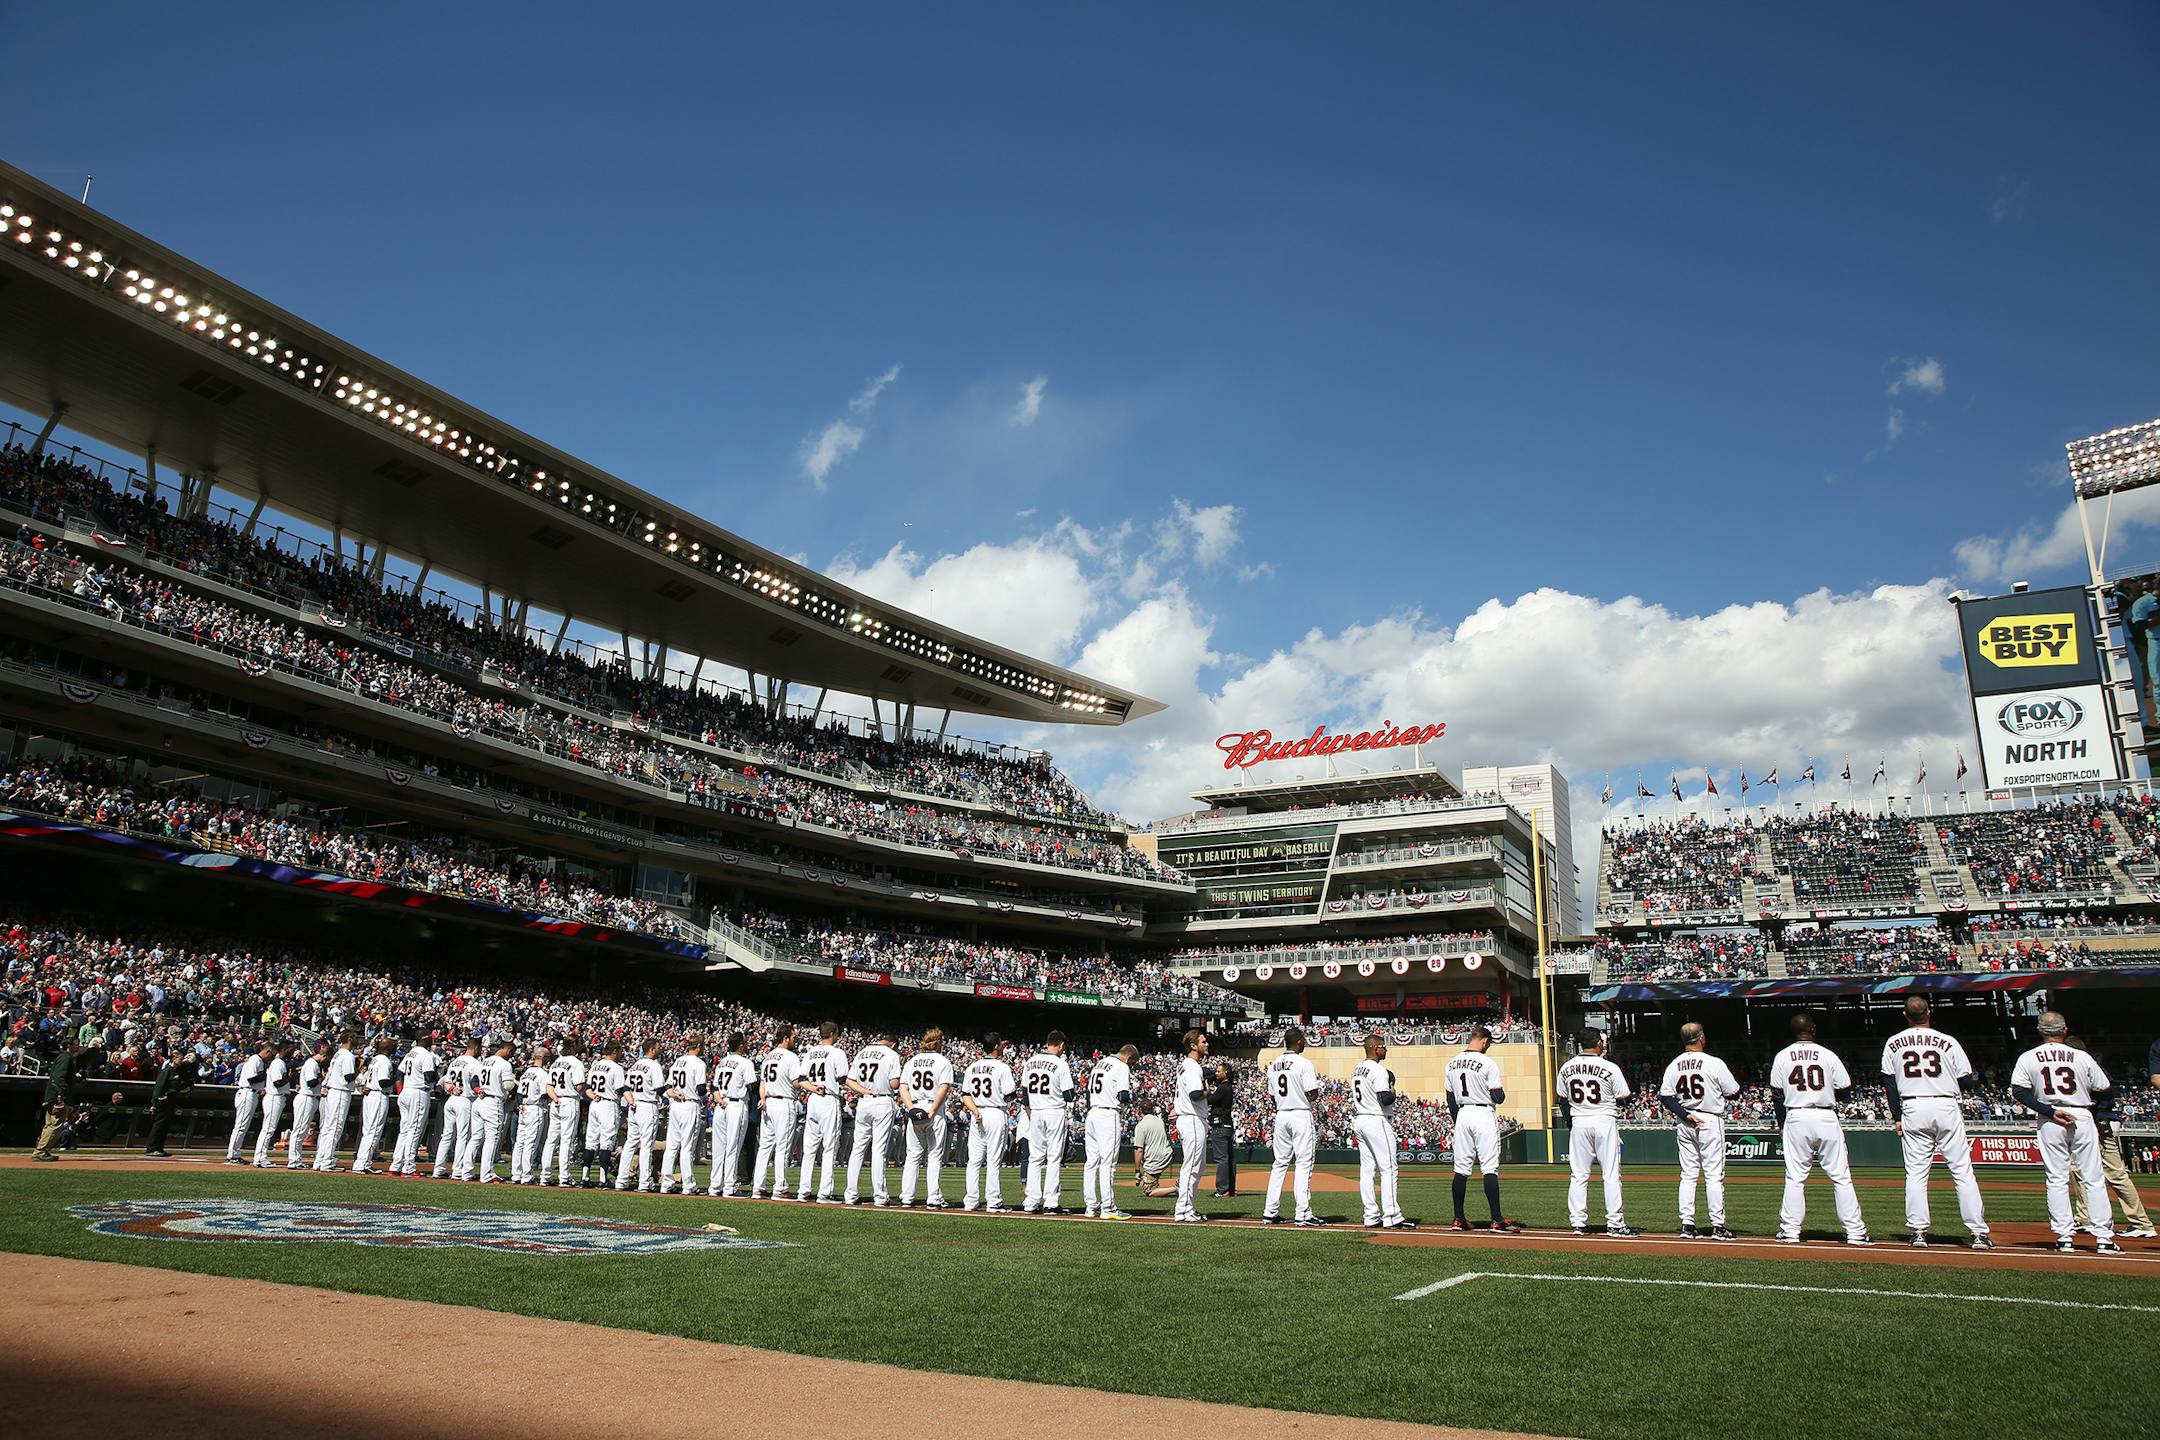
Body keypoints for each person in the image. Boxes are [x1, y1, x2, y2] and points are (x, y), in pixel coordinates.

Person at [1881, 996, 1991, 1249]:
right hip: (1945, 1103)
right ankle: (1978, 1233)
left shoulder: (1893, 1042)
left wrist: (1897, 1116)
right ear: (1929, 1013)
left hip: (1912, 1105)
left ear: (1905, 1015)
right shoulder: (1948, 1041)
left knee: (1917, 1173)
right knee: (1962, 1171)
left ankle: (1919, 1231)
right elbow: (1967, 1080)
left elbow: (1889, 1083)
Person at [2010, 1012, 2120, 1255]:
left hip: (2050, 1118)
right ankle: (2103, 1238)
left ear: (2040, 1031)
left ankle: (2064, 1237)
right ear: (2065, 1030)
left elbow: (2019, 1092)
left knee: (2056, 1178)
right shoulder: (2082, 1057)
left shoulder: (2028, 1057)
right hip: (2080, 1113)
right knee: (2093, 1178)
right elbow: (2105, 1089)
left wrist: (2049, 1111)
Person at [1767, 1014, 1869, 1245]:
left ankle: (1791, 1231)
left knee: (1795, 1177)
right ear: (1812, 1029)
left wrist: (1782, 1124)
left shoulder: (1782, 1056)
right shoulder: (1828, 1054)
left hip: (1796, 1115)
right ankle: (1855, 1232)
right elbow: (1845, 1089)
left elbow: (1777, 1094)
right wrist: (1828, 1095)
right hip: (1825, 1114)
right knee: (1841, 1177)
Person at [2064, 1037, 2155, 1237]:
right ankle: (2085, 1218)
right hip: (2097, 1125)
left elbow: (2102, 1098)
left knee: (2115, 1175)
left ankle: (2141, 1223)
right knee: (2079, 1170)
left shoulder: (2088, 1068)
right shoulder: (2090, 1067)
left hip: (2099, 1126)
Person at [1658, 1023, 1739, 1240]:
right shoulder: (1714, 1063)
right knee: (1713, 1175)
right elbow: (1734, 1091)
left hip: (1685, 1120)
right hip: (1709, 1119)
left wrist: (1685, 1115)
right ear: (1701, 1037)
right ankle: (1718, 1226)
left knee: (1688, 1175)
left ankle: (1687, 1224)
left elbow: (1665, 1096)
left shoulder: (1674, 1064)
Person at [1556, 1031, 1631, 1236]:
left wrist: (1572, 1123)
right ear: (1598, 1043)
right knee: (1611, 1174)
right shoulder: (1609, 1066)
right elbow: (1625, 1097)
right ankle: (1615, 1223)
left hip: (1579, 1121)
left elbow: (1562, 1099)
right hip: (1603, 1119)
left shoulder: (1566, 1068)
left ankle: (1578, 1223)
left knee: (1578, 1175)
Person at [1446, 1025, 1520, 1233]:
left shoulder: (1452, 1063)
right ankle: (1496, 1220)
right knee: (1489, 1168)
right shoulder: (1487, 1063)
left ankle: (1458, 1219)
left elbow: (1450, 1098)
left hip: (1462, 1114)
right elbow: (1498, 1097)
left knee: (1461, 1169)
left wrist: (1457, 1120)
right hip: (1482, 1114)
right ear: (1485, 1041)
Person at [1262, 1027, 1325, 1227]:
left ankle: (1270, 1212)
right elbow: (1312, 1093)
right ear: (1298, 1041)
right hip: (1299, 1113)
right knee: (1304, 1163)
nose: (1305, 1042)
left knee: (1279, 1164)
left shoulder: (1274, 1065)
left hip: (1281, 1115)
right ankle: (1303, 1213)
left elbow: (1272, 1096)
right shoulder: (1304, 1063)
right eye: (1303, 1040)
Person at [1351, 1034, 1414, 1231]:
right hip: (1376, 1119)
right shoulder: (1379, 1070)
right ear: (1376, 1048)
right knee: (1389, 1169)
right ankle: (1392, 1215)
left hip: (1360, 1118)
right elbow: (1385, 1099)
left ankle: (1370, 1215)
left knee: (1367, 1170)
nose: (1386, 1049)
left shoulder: (1357, 1068)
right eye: (1384, 1046)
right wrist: (1393, 1091)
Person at [842, 1030, 903, 1206]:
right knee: (878, 1150)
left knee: (858, 1149)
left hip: (864, 1102)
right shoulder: (891, 1054)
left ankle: (851, 1194)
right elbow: (894, 1083)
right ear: (893, 1044)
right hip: (882, 1100)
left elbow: (850, 1080)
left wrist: (864, 1090)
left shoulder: (862, 1051)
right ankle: (880, 1196)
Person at [897, 1028, 956, 1208]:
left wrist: (911, 1109)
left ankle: (907, 1197)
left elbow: (903, 1088)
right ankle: (933, 1198)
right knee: (934, 1155)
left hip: (915, 1106)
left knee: (912, 1156)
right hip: (933, 1108)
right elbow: (943, 1088)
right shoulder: (943, 1061)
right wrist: (932, 1111)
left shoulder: (912, 1061)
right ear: (939, 1042)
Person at [960, 1033, 1017, 1212]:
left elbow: (965, 1095)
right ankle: (993, 1201)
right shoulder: (1001, 1067)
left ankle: (971, 1201)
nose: (1003, 1046)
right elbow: (1010, 1094)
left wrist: (975, 1111)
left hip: (978, 1112)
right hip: (995, 1112)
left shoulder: (972, 1067)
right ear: (996, 1046)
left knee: (974, 1160)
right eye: (1001, 1044)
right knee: (993, 1160)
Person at [1019, 1032, 1075, 1214]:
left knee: (1035, 1157)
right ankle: (1050, 1202)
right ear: (1061, 1045)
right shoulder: (1060, 1063)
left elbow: (1024, 1095)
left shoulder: (1030, 1062)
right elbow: (1069, 1095)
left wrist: (1030, 1113)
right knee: (1053, 1157)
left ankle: (1031, 1201)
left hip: (1035, 1112)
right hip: (1054, 1111)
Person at [1082, 1043, 1138, 1220]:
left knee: (1091, 1162)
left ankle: (1091, 1207)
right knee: (1108, 1163)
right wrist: (1133, 1096)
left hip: (1092, 1113)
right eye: (1133, 1063)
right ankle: (1108, 1207)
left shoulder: (1100, 1063)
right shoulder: (1121, 1066)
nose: (1131, 1066)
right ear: (1129, 1058)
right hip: (1108, 1114)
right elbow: (1122, 1096)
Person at [796, 1022, 849, 1203]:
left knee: (809, 1148)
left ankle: (803, 1190)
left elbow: (801, 1079)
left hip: (813, 1098)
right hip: (828, 1098)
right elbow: (842, 1077)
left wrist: (813, 1087)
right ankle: (824, 1193)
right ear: (833, 1034)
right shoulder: (837, 1052)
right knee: (830, 1148)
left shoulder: (810, 1052)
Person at [749, 1027, 803, 1199]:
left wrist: (763, 1099)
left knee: (765, 1147)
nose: (795, 1040)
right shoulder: (791, 1056)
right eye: (793, 1037)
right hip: (783, 1103)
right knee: (783, 1147)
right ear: (786, 1038)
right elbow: (796, 1082)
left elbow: (762, 1082)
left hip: (768, 1102)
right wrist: (809, 1086)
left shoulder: (768, 1056)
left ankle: (758, 1186)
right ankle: (780, 1187)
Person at [706, 1032, 756, 1197]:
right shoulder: (745, 1062)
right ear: (741, 1045)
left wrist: (719, 1100)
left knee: (718, 1148)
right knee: (733, 1146)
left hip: (721, 1105)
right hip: (736, 1104)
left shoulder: (722, 1063)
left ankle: (714, 1186)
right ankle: (729, 1186)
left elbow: (714, 1088)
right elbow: (752, 1086)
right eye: (745, 1043)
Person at [657, 1036, 707, 1195]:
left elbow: (667, 1087)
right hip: (689, 1104)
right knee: (686, 1148)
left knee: (671, 1147)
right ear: (698, 1046)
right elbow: (700, 1090)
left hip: (676, 1105)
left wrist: (673, 1094)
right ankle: (688, 1185)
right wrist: (708, 1092)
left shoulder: (678, 1061)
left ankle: (666, 1183)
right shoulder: (699, 1063)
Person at [615, 1038, 666, 1192]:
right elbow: (660, 1089)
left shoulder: (635, 1065)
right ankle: (644, 1181)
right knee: (646, 1145)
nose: (660, 1049)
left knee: (631, 1143)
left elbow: (625, 1088)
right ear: (651, 1049)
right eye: (658, 1047)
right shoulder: (654, 1065)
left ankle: (621, 1180)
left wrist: (630, 1102)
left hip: (635, 1106)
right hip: (647, 1105)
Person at [1171, 1029, 1211, 1223]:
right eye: (1203, 1042)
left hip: (1189, 1118)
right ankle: (1184, 1209)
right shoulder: (1192, 1066)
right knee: (1193, 1166)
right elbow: (1196, 1095)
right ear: (1193, 1045)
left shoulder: (1186, 1066)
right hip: (1192, 1118)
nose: (1207, 1044)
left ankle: (1187, 1208)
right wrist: (1208, 1091)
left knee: (1197, 1166)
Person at [537, 1036, 585, 1187]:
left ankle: (545, 1175)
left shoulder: (556, 1062)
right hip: (569, 1100)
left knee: (551, 1139)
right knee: (566, 1140)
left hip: (556, 1100)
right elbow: (579, 1086)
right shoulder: (576, 1063)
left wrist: (555, 1098)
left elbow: (549, 1085)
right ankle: (564, 1176)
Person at [391, 1033, 438, 1177]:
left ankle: (396, 1165)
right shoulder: (426, 1055)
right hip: (418, 1092)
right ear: (424, 1039)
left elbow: (399, 1073)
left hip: (407, 1091)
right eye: (430, 1037)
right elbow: (429, 1076)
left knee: (405, 1130)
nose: (432, 1040)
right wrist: (438, 1073)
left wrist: (401, 1091)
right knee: (414, 1129)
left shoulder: (410, 1053)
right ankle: (409, 1167)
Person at [433, 1038, 480, 1180]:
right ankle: (458, 1170)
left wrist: (452, 1089)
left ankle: (438, 1169)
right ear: (476, 1048)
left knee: (447, 1135)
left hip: (451, 1099)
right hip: (465, 1100)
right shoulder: (475, 1063)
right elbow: (475, 1084)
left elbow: (446, 1083)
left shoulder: (456, 1061)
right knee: (462, 1136)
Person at [312, 1032, 359, 1173]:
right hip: (339, 1092)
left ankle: (320, 1159)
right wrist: (359, 1069)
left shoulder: (338, 1053)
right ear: (350, 1038)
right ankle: (327, 1161)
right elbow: (349, 1076)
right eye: (355, 1037)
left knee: (328, 1127)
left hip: (333, 1091)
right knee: (335, 1127)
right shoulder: (347, 1055)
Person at [583, 1040, 627, 1188]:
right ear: (614, 1051)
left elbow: (588, 1088)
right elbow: (621, 1090)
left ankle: (585, 1177)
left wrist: (593, 1096)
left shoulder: (596, 1065)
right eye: (620, 1051)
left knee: (591, 1141)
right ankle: (603, 1179)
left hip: (595, 1103)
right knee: (606, 1143)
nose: (621, 1054)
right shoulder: (616, 1068)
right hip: (608, 1104)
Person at [511, 1042, 555, 1185]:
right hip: (534, 1108)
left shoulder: (526, 1072)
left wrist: (520, 1105)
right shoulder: (543, 1074)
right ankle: (527, 1175)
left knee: (520, 1142)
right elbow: (544, 1095)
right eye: (548, 1057)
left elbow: (518, 1094)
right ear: (542, 1057)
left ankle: (516, 1174)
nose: (549, 1059)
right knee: (530, 1143)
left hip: (524, 1108)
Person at [351, 1037, 396, 1175]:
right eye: (393, 1045)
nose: (395, 1047)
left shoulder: (375, 1059)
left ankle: (360, 1162)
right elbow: (383, 1082)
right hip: (378, 1095)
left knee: (368, 1131)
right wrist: (397, 1079)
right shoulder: (384, 1061)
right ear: (387, 1047)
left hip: (371, 1094)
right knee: (373, 1131)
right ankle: (363, 1164)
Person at [145, 1044, 195, 1159]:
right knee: (159, 1125)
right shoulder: (167, 1071)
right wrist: (154, 1103)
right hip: (163, 1101)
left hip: (171, 1101)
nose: (182, 1061)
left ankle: (159, 1148)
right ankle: (152, 1148)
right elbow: (159, 1087)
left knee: (165, 1126)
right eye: (180, 1059)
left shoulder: (178, 1071)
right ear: (173, 1059)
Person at [225, 1039, 271, 1165]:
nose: (270, 1058)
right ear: (267, 1052)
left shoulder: (258, 1061)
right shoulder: (255, 1060)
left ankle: (235, 1154)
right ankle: (232, 1156)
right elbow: (252, 1079)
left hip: (251, 1093)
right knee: (240, 1126)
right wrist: (267, 1074)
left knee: (242, 1126)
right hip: (247, 1093)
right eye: (270, 1054)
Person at [254, 1039, 294, 1169]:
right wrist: (288, 1077)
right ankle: (260, 1158)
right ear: (283, 1049)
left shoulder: (280, 1063)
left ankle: (260, 1157)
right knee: (268, 1129)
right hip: (274, 1097)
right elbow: (278, 1082)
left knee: (269, 1128)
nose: (292, 1052)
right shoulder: (278, 1063)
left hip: (277, 1097)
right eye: (290, 1049)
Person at [288, 1040, 325, 1169]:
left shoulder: (313, 1063)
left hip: (310, 1098)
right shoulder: (311, 1064)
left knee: (301, 1131)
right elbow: (311, 1083)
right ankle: (294, 1161)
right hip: (306, 1098)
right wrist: (322, 1077)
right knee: (299, 1130)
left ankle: (295, 1160)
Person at [1207, 1059, 1239, 1197]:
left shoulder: (1223, 1087)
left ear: (1226, 1073)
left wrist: (1207, 1087)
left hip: (1220, 1125)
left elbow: (1210, 1100)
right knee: (1229, 1158)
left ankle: (1222, 1189)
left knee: (1222, 1158)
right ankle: (1230, 1189)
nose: (1216, 1073)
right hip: (1227, 1125)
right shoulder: (1228, 1086)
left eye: (1219, 1071)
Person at [1130, 1101, 1175, 1196]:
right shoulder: (1160, 1121)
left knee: (1149, 1191)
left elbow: (1139, 1150)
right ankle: (1158, 1186)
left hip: (1154, 1159)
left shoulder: (1141, 1126)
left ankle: (1176, 1188)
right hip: (1167, 1154)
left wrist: (1137, 1171)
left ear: (1140, 1110)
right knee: (1153, 1182)